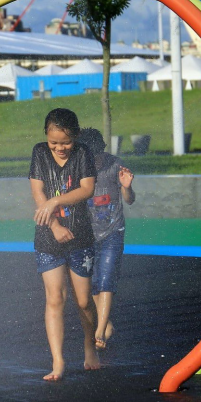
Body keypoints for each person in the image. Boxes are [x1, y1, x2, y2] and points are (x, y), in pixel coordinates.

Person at [29, 108, 101, 380]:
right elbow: (38, 192)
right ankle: (58, 361)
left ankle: (89, 344)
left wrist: (55, 201)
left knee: (83, 301)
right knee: (55, 298)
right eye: (54, 142)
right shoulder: (39, 153)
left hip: (80, 236)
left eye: (65, 142)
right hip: (48, 237)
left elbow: (87, 189)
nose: (60, 148)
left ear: (77, 135)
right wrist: (55, 225)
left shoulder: (82, 154)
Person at [77, 128, 136, 350]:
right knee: (90, 283)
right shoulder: (80, 169)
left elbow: (129, 200)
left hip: (113, 231)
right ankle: (106, 323)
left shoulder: (115, 165)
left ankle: (100, 329)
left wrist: (127, 187)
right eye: (91, 158)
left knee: (106, 280)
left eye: (98, 156)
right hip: (87, 234)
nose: (96, 162)